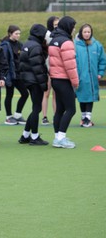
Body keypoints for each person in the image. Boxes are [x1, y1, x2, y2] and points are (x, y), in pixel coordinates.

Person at [48, 16, 79, 149]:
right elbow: (70, 65)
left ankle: (57, 138)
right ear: (68, 27)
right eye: (73, 27)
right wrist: (75, 82)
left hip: (55, 79)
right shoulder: (66, 42)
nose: (74, 30)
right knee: (71, 109)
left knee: (60, 110)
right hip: (64, 80)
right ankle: (61, 138)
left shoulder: (54, 40)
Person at [18, 24, 49, 145]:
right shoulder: (36, 46)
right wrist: (43, 84)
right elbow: (38, 68)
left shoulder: (27, 43)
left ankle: (25, 135)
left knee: (36, 108)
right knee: (36, 108)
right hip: (34, 81)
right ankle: (34, 137)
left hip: (27, 79)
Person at [74, 23, 106, 127]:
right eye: (85, 32)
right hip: (80, 76)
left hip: (93, 77)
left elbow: (102, 60)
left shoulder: (97, 45)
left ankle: (88, 118)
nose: (87, 34)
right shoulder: (75, 45)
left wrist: (100, 73)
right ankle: (84, 118)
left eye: (88, 32)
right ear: (81, 33)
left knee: (90, 96)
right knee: (82, 96)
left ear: (91, 32)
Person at [0, 25, 29, 125]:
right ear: (10, 34)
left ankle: (17, 115)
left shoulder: (20, 44)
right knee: (9, 94)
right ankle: (8, 117)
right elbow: (4, 60)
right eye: (16, 33)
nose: (18, 35)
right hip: (9, 74)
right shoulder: (5, 45)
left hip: (18, 74)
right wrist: (3, 75)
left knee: (25, 93)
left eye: (19, 33)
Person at [41, 16, 59, 125]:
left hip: (57, 68)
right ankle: (44, 116)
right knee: (46, 93)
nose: (57, 26)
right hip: (47, 67)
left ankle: (56, 116)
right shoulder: (47, 35)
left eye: (58, 24)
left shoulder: (61, 35)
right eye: (55, 24)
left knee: (56, 94)